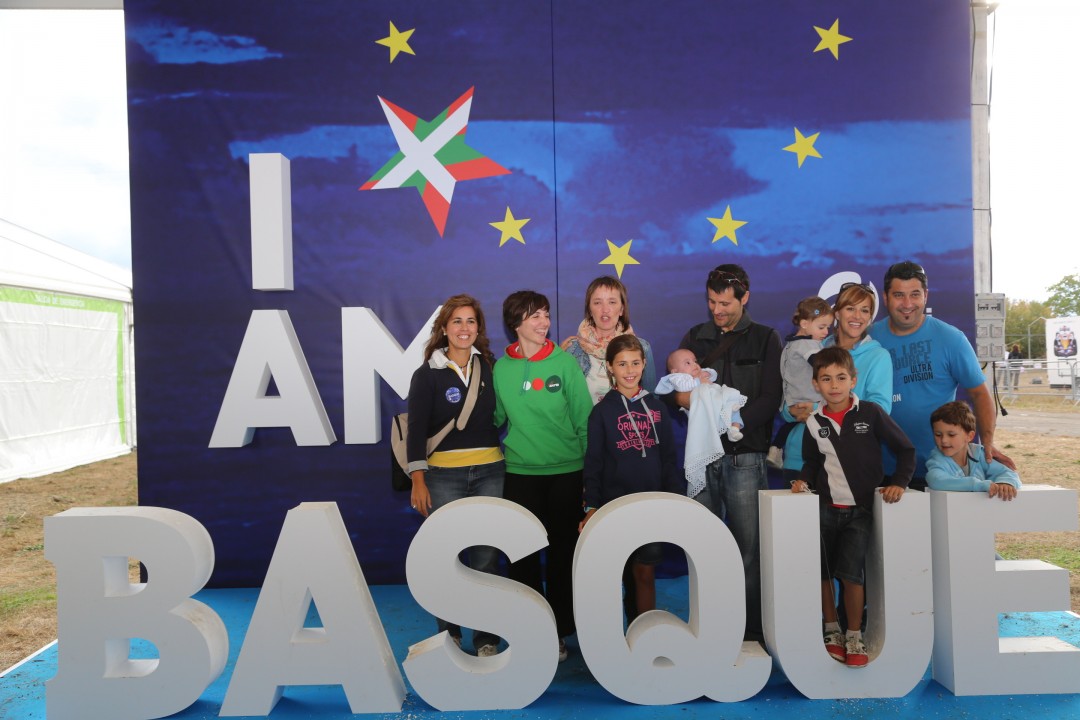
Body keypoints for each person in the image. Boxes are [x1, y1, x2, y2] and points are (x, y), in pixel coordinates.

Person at [669, 264, 782, 641]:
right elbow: (674, 394)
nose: (717, 310)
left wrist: (731, 425)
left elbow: (771, 398)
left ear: (744, 298)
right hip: (702, 459)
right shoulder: (694, 338)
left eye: (725, 303)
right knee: (703, 546)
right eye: (711, 302)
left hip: (745, 458)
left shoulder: (766, 338)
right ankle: (709, 626)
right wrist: (685, 401)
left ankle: (750, 631)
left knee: (749, 549)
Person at [791, 347, 914, 668]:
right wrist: (802, 480)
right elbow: (811, 462)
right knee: (822, 573)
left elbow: (905, 449)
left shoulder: (870, 413)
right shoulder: (813, 422)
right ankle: (831, 629)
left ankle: (854, 635)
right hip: (824, 510)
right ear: (815, 384)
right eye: (826, 379)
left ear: (853, 380)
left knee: (852, 576)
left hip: (860, 512)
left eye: (841, 378)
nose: (834, 385)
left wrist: (899, 483)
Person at [494, 290, 593, 662]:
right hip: (520, 474)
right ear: (515, 323)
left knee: (563, 555)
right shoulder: (501, 368)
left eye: (546, 315)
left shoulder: (564, 363)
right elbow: (494, 419)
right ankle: (529, 630)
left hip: (566, 472)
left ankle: (560, 631)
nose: (544, 322)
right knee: (522, 557)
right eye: (534, 316)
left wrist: (588, 477)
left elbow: (584, 421)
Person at [405, 294, 505, 657]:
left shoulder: (491, 367)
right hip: (441, 477)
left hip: (491, 472)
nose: (465, 328)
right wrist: (418, 479)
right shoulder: (426, 374)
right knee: (445, 558)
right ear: (444, 328)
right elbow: (416, 431)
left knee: (485, 558)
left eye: (471, 321)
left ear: (479, 328)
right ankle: (450, 633)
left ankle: (486, 638)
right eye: (457, 321)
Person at [870, 261, 1015, 488]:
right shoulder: (869, 337)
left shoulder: (951, 339)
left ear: (926, 296)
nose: (907, 304)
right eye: (899, 295)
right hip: (880, 468)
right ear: (886, 297)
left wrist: (987, 443)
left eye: (915, 294)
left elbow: (980, 393)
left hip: (941, 470)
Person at [580, 335, 682, 615]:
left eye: (635, 363)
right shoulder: (601, 412)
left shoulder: (658, 408)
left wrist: (676, 500)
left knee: (645, 573)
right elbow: (594, 463)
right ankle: (616, 635)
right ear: (610, 367)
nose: (629, 370)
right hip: (614, 506)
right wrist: (591, 506)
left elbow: (669, 460)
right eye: (622, 364)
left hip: (651, 506)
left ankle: (644, 632)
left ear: (644, 363)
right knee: (617, 574)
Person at [780, 283, 894, 485]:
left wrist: (818, 409)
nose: (857, 316)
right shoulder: (812, 348)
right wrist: (792, 410)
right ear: (837, 313)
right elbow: (788, 397)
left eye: (865, 310)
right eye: (850, 308)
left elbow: (879, 411)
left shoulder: (878, 356)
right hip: (799, 458)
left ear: (870, 317)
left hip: (847, 461)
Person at [561, 276, 657, 404]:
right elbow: (562, 400)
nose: (605, 309)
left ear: (621, 309)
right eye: (597, 303)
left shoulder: (642, 347)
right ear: (590, 310)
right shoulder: (572, 349)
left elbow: (651, 400)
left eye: (612, 302)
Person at [768, 296, 835, 469]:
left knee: (791, 424)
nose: (826, 332)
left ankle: (776, 448)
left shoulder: (790, 345)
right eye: (821, 327)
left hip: (792, 399)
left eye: (828, 327)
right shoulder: (808, 344)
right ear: (804, 324)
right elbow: (819, 364)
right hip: (808, 398)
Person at [926, 401, 1021, 499]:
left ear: (970, 436)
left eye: (951, 435)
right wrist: (976, 485)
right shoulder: (937, 460)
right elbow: (935, 480)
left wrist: (1005, 483)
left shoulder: (979, 454)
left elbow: (1008, 473)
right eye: (938, 435)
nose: (944, 440)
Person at [657, 348, 745, 441]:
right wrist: (699, 381)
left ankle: (734, 428)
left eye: (695, 361)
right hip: (702, 407)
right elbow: (682, 387)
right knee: (709, 422)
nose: (694, 364)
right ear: (675, 371)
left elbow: (713, 375)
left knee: (733, 404)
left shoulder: (697, 373)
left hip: (716, 398)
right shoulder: (677, 378)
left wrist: (707, 373)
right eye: (688, 363)